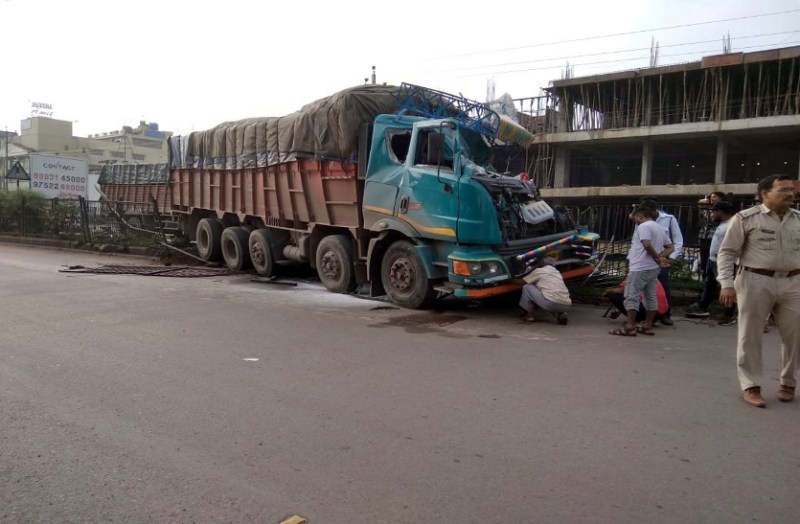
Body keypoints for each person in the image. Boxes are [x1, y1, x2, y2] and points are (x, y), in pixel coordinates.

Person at [717, 174, 800, 408]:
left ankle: (788, 382)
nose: (790, 193)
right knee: (750, 335)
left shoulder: (798, 219)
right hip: (755, 280)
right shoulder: (745, 219)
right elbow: (727, 253)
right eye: (783, 189)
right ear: (765, 193)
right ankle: (751, 385)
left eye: (791, 189)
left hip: (793, 282)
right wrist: (726, 283)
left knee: (795, 336)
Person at [610, 206, 673, 336]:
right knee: (651, 296)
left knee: (631, 296)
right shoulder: (659, 228)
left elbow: (646, 245)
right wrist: (660, 257)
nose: (635, 221)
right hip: (653, 268)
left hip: (640, 267)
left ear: (640, 216)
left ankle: (629, 326)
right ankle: (647, 325)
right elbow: (670, 247)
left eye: (635, 219)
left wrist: (657, 257)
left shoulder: (643, 227)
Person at [685, 201, 737, 325]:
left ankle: (729, 314)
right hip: (713, 259)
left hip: (724, 261)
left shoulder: (732, 225)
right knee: (709, 285)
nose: (712, 214)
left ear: (720, 212)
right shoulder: (722, 224)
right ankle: (703, 306)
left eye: (714, 211)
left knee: (726, 287)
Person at [640, 199, 683, 326]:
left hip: (663, 258)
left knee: (663, 287)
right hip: (646, 258)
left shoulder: (669, 219)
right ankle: (647, 315)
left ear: (655, 210)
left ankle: (666, 314)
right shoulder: (641, 219)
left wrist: (673, 257)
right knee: (644, 287)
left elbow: (678, 240)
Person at [519, 257, 571, 325]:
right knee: (553, 294)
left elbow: (522, 282)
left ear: (542, 263)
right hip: (566, 304)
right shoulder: (557, 272)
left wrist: (509, 279)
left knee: (527, 287)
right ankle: (562, 313)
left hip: (550, 303)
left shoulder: (540, 270)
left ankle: (529, 316)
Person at [603, 277, 668, 324]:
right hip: (660, 314)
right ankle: (650, 321)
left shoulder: (635, 274)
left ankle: (634, 321)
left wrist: (607, 291)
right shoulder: (652, 276)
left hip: (645, 311)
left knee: (613, 295)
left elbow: (623, 291)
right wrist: (619, 310)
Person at [697, 191, 727, 278]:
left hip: (714, 235)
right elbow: (700, 205)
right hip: (704, 235)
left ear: (720, 198)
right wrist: (705, 202)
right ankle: (704, 274)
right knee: (704, 256)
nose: (712, 199)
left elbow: (713, 221)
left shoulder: (722, 209)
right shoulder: (708, 208)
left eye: (714, 197)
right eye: (711, 197)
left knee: (713, 256)